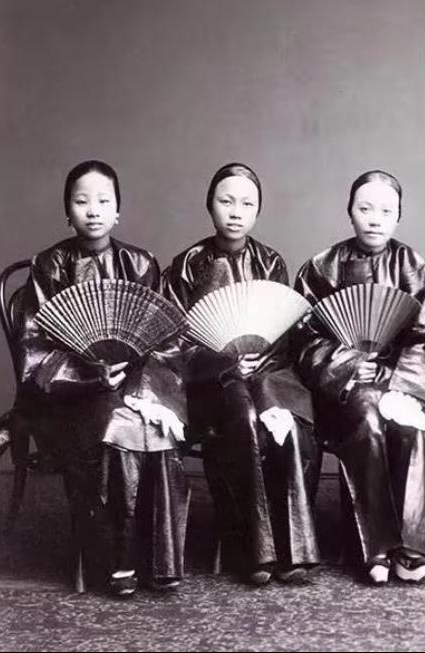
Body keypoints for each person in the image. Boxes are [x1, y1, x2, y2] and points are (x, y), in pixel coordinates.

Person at [14, 160, 189, 597]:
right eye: (81, 201)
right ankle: (118, 558)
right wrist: (91, 375)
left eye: (103, 201)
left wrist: (139, 389)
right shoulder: (49, 265)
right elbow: (35, 350)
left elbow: (164, 339)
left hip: (135, 385)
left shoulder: (140, 263)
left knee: (153, 425)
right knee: (115, 426)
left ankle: (161, 561)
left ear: (118, 211)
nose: (93, 210)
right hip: (70, 397)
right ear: (67, 212)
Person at [162, 162, 319, 585]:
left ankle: (295, 550)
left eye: (247, 204)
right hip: (209, 383)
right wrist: (226, 364)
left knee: (290, 424)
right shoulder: (186, 265)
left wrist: (256, 363)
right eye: (226, 201)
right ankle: (253, 550)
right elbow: (174, 342)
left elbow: (283, 333)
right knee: (242, 413)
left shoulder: (270, 262)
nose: (236, 211)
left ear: (258, 210)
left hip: (266, 373)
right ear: (210, 205)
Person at [294, 170, 425, 584]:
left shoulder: (413, 267)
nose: (375, 219)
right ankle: (373, 548)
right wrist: (347, 364)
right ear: (350, 212)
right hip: (342, 392)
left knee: (415, 427)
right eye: (365, 209)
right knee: (367, 415)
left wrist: (392, 374)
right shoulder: (320, 268)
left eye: (386, 211)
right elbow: (302, 340)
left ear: (398, 217)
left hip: (400, 382)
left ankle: (413, 545)